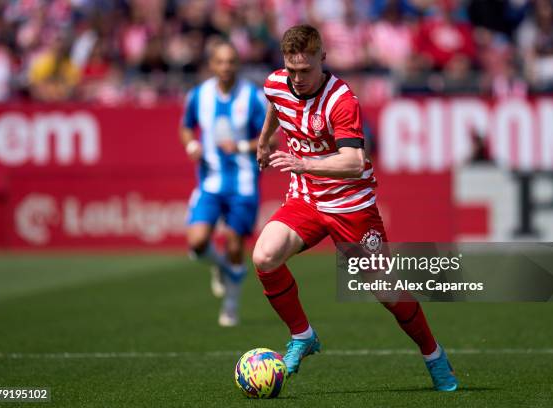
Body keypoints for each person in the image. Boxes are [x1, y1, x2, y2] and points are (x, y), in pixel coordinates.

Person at [253, 24, 458, 391]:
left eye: (306, 70)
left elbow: (353, 161)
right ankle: (303, 336)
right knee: (265, 256)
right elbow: (274, 102)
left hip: (352, 205)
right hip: (306, 198)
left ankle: (433, 353)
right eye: (292, 70)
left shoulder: (341, 100)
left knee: (386, 291)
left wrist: (304, 164)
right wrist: (266, 139)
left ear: (323, 60)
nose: (297, 79)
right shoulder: (276, 82)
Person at [181, 40, 266, 327]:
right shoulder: (199, 95)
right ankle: (218, 268)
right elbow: (185, 126)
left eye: (231, 61)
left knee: (233, 244)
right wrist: (192, 144)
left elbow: (271, 139)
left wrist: (241, 146)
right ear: (212, 65)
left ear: (237, 65)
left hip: (243, 183)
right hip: (210, 181)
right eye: (220, 61)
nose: (226, 67)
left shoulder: (252, 97)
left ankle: (231, 304)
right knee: (197, 243)